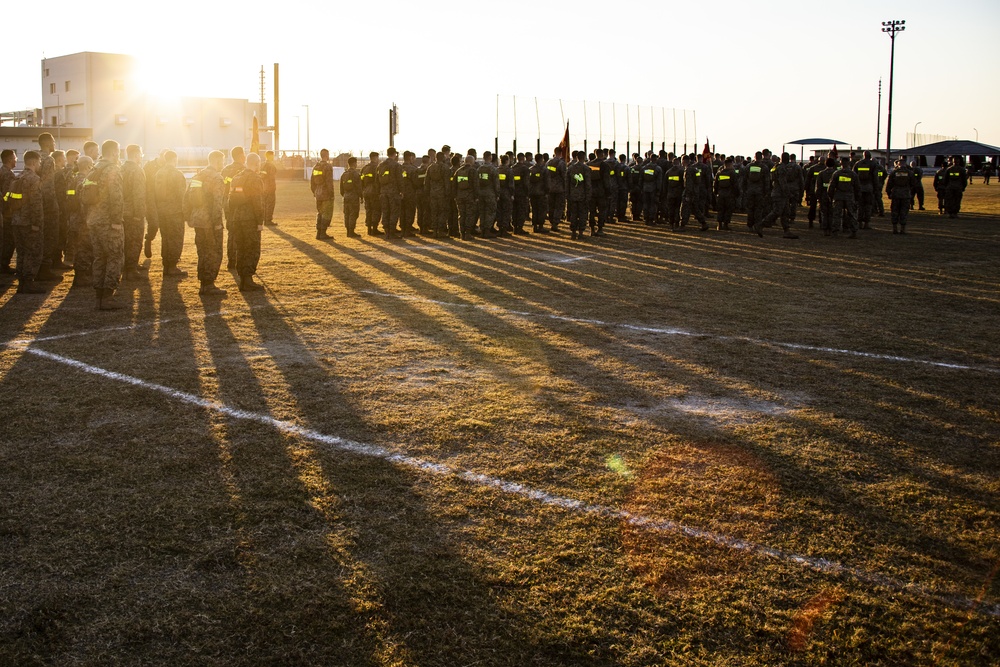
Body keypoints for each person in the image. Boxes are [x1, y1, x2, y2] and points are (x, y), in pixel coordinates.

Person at [87, 140, 126, 310]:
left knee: (99, 258)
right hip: (108, 222)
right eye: (118, 151)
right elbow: (116, 197)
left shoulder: (93, 169)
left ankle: (98, 298)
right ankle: (108, 297)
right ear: (114, 152)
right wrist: (117, 221)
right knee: (114, 257)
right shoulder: (112, 170)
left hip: (94, 220)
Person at [184, 150, 227, 295]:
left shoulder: (198, 175)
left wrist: (189, 217)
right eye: (222, 161)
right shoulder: (217, 178)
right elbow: (217, 203)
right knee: (213, 252)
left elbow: (188, 197)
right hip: (210, 221)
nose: (223, 164)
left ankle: (203, 282)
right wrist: (217, 223)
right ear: (216, 161)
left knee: (202, 252)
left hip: (198, 219)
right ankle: (208, 284)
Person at [11, 151, 46, 294]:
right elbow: (36, 204)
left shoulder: (17, 177)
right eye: (39, 162)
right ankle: (29, 282)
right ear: (34, 162)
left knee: (21, 253)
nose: (39, 165)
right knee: (33, 252)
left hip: (16, 221)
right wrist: (37, 223)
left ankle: (21, 282)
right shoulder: (34, 179)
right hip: (29, 223)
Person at [229, 152, 265, 291]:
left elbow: (230, 200)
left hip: (237, 218)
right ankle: (248, 279)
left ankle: (243, 278)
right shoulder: (254, 179)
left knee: (241, 248)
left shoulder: (237, 177)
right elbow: (257, 201)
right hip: (250, 219)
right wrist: (259, 221)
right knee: (252, 248)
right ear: (256, 163)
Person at [154, 150, 188, 276]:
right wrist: (186, 211)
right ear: (175, 159)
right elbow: (182, 195)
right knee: (175, 238)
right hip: (175, 212)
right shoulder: (177, 174)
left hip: (162, 211)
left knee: (166, 238)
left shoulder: (159, 173)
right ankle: (172, 266)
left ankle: (166, 265)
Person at [754, 152, 799, 239]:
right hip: (780, 194)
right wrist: (788, 193)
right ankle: (760, 224)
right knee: (777, 211)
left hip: (778, 192)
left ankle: (787, 231)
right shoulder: (781, 168)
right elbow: (782, 183)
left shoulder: (776, 166)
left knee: (785, 212)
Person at [68, 156, 95, 287]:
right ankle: (82, 277)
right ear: (88, 166)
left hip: (74, 219)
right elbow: (83, 202)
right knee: (84, 249)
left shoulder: (73, 179)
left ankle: (81, 275)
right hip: (82, 220)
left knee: (79, 248)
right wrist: (88, 219)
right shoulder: (83, 180)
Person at [121, 144, 147, 280]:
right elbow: (139, 194)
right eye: (141, 155)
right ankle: (131, 270)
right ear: (137, 155)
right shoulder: (136, 170)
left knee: (124, 241)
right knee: (135, 241)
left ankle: (128, 266)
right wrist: (139, 213)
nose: (141, 158)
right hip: (133, 213)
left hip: (122, 211)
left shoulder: (121, 168)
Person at [222, 146, 247, 267]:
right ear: (240, 155)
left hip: (227, 203)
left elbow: (223, 185)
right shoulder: (243, 170)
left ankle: (231, 260)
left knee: (231, 232)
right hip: (240, 204)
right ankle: (237, 259)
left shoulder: (226, 169)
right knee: (240, 232)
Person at [827, 157, 861, 238]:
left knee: (837, 215)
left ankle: (835, 232)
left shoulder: (837, 173)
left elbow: (831, 187)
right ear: (848, 163)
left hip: (838, 197)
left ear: (840, 163)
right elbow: (857, 188)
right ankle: (854, 232)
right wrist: (857, 199)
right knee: (852, 215)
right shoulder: (853, 174)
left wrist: (831, 196)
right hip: (849, 197)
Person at [885, 157, 919, 234]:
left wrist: (889, 193)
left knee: (895, 211)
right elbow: (914, 183)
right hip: (905, 194)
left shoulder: (894, 173)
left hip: (896, 194)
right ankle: (902, 229)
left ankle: (894, 228)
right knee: (904, 211)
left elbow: (889, 184)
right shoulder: (909, 173)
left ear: (898, 164)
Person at [423, 151, 451, 238]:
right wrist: (448, 193)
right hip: (442, 194)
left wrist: (427, 194)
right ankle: (441, 231)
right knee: (442, 212)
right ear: (442, 158)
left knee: (434, 212)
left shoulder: (430, 167)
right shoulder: (445, 168)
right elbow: (447, 182)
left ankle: (434, 231)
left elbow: (426, 182)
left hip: (432, 193)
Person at [377, 147, 404, 238]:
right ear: (394, 154)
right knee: (394, 211)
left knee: (385, 211)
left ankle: (387, 231)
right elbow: (400, 180)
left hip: (383, 192)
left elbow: (377, 180)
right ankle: (392, 232)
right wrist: (402, 191)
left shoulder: (381, 165)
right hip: (393, 192)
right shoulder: (396, 165)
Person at [741, 151, 770, 231]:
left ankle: (750, 225)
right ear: (761, 157)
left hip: (749, 191)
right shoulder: (764, 167)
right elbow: (767, 181)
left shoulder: (748, 166)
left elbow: (744, 180)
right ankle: (757, 225)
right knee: (759, 209)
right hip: (760, 192)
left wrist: (744, 190)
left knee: (750, 209)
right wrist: (766, 192)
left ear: (754, 157)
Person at [143, 151, 164, 258]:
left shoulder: (167, 167)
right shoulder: (149, 166)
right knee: (154, 223)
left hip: (163, 199)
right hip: (150, 198)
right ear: (160, 156)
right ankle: (149, 239)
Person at [566, 150, 591, 239]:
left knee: (573, 214)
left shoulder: (570, 168)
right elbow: (587, 183)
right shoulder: (585, 168)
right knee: (582, 214)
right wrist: (588, 195)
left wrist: (567, 194)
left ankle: (573, 232)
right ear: (584, 157)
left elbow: (567, 182)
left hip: (572, 195)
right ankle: (581, 232)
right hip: (582, 196)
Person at [310, 148, 335, 239]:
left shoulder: (316, 166)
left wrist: (315, 192)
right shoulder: (327, 167)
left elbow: (312, 182)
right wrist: (331, 194)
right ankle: (323, 233)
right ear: (327, 155)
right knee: (326, 213)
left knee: (320, 213)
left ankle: (319, 233)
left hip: (318, 193)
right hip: (326, 194)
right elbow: (329, 182)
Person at [454, 153, 479, 239]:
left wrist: (455, 195)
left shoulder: (458, 171)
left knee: (461, 215)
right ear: (471, 162)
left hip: (459, 196)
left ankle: (462, 233)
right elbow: (476, 185)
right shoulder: (473, 171)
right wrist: (476, 197)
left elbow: (454, 185)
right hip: (470, 196)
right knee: (469, 214)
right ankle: (468, 233)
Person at [852, 150, 879, 229]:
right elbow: (875, 178)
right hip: (869, 188)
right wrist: (876, 188)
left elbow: (854, 176)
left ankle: (859, 222)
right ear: (870, 156)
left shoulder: (858, 164)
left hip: (860, 188)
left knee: (860, 206)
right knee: (868, 206)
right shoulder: (873, 164)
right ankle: (866, 223)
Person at [0, 149, 17, 274]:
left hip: (4, 211)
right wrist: (9, 208)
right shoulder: (8, 174)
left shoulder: (2, 171)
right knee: (8, 240)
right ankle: (3, 265)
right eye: (15, 157)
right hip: (7, 213)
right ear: (10, 159)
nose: (16, 159)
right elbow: (7, 195)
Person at [713, 157, 739, 231]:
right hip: (729, 194)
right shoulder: (732, 173)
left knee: (720, 209)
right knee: (728, 209)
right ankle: (726, 224)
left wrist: (715, 193)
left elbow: (715, 184)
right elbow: (735, 185)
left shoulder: (719, 173)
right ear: (730, 164)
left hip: (720, 194)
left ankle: (719, 225)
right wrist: (737, 194)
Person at [361, 151, 382, 235]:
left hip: (366, 191)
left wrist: (363, 190)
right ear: (375, 158)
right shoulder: (377, 167)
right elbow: (378, 180)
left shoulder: (364, 168)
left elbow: (361, 180)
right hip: (374, 191)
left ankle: (369, 228)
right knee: (376, 209)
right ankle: (374, 228)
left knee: (368, 210)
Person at [340, 156, 362, 237]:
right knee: (353, 213)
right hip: (354, 197)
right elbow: (358, 187)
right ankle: (351, 231)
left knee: (347, 213)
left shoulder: (344, 174)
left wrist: (345, 194)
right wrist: (361, 196)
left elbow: (341, 188)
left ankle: (348, 231)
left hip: (346, 196)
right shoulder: (356, 174)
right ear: (354, 163)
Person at [546, 147, 567, 231]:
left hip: (550, 187)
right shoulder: (561, 163)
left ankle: (551, 221)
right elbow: (564, 176)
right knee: (558, 206)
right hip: (559, 188)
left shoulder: (548, 162)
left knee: (551, 206)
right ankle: (555, 223)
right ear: (561, 153)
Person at [528, 153, 548, 233]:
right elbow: (547, 182)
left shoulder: (531, 169)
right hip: (541, 192)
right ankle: (541, 226)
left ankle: (535, 226)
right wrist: (547, 192)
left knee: (534, 209)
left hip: (533, 193)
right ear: (541, 159)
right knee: (541, 210)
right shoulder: (544, 170)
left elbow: (528, 181)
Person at [496, 153, 514, 236]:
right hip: (506, 193)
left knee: (499, 211)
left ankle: (500, 228)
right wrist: (512, 194)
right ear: (507, 161)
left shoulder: (497, 170)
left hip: (498, 193)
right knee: (506, 211)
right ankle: (504, 229)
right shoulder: (509, 170)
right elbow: (511, 184)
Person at [261, 150, 277, 225]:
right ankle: (268, 220)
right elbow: (270, 176)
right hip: (270, 187)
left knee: (264, 204)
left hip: (264, 187)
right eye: (273, 155)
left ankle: (264, 219)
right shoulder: (270, 165)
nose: (273, 157)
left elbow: (262, 175)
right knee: (270, 204)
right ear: (270, 156)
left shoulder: (263, 164)